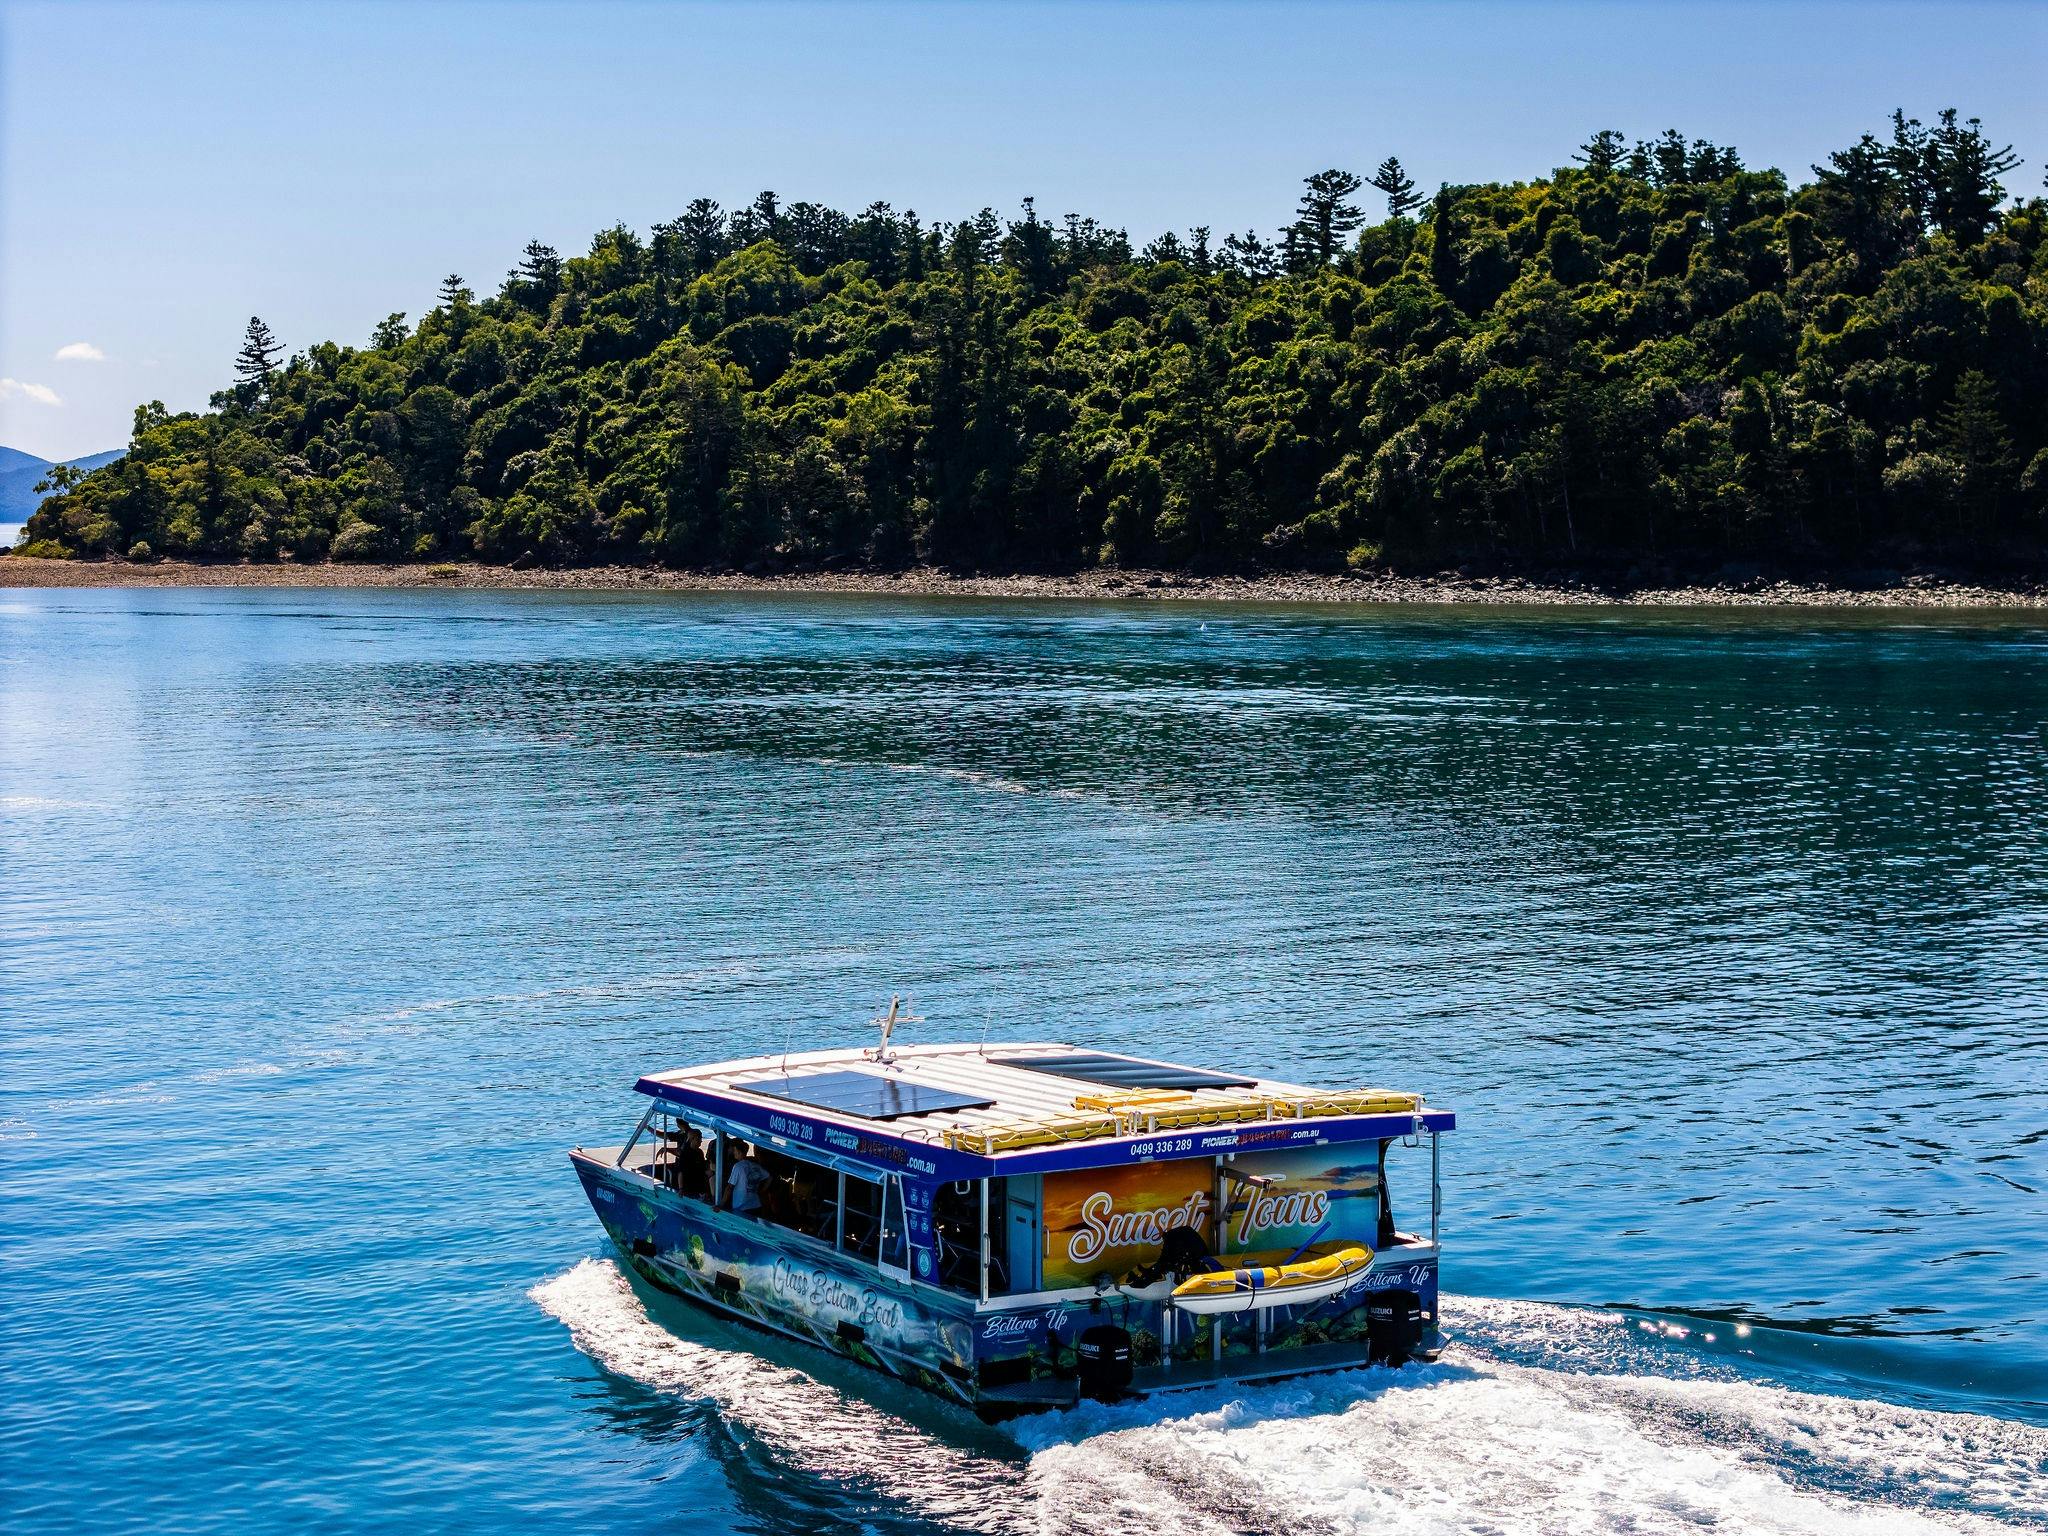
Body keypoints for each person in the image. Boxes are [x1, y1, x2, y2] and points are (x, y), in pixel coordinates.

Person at [720, 1141, 771, 1216]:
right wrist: (762, 1190)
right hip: (756, 1204)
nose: (734, 1152)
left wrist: (721, 1205)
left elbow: (729, 1187)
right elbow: (769, 1178)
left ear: (739, 1152)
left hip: (742, 1206)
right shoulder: (755, 1165)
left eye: (735, 1150)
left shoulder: (738, 1166)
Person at [673, 1127, 709, 1201]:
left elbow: (702, 1167)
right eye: (698, 1139)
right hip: (688, 1187)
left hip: (699, 1185)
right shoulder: (685, 1153)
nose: (701, 1141)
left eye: (701, 1138)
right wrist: (681, 1188)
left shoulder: (699, 1152)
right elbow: (681, 1171)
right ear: (692, 1139)